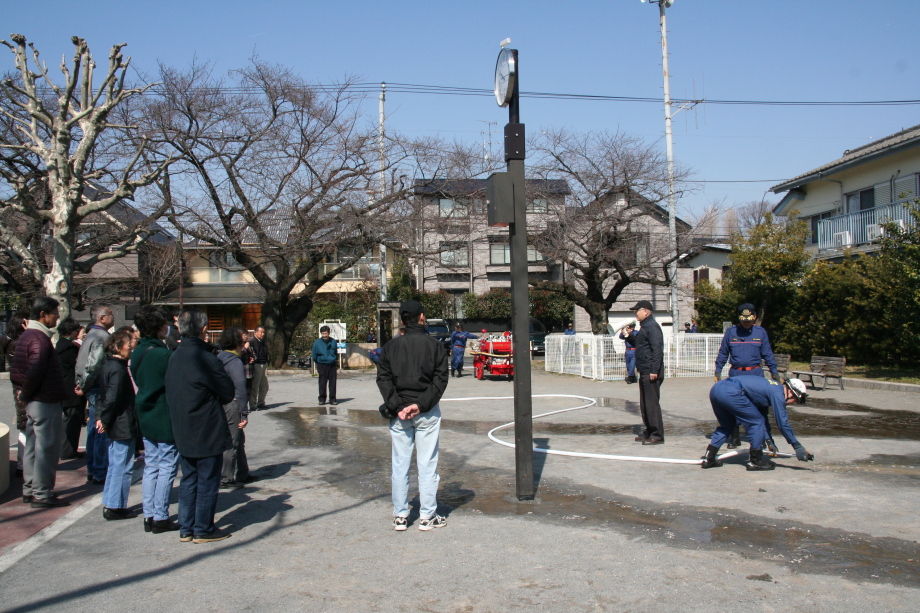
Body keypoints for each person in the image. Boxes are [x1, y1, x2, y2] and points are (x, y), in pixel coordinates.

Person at [377, 300, 449, 531]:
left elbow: (383, 378)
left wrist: (398, 405)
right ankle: (427, 515)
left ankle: (400, 514)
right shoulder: (435, 345)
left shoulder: (390, 346)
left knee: (400, 464)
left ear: (402, 320)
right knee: (427, 463)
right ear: (422, 317)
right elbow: (440, 379)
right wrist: (420, 404)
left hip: (399, 412)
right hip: (426, 411)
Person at [165, 308, 236, 544]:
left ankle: (186, 526)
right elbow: (227, 391)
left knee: (189, 478)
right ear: (204, 329)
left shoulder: (175, 355)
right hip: (205, 425)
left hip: (182, 424)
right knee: (207, 479)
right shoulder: (204, 358)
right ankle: (203, 528)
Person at [10, 296, 68, 508]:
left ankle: (30, 489)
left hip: (35, 399)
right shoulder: (39, 338)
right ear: (43, 315)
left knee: (33, 446)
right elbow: (35, 369)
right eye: (55, 313)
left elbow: (18, 370)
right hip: (44, 399)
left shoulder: (28, 335)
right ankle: (42, 493)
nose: (58, 317)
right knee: (46, 448)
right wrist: (26, 393)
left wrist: (24, 393)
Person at [131, 305, 180, 534]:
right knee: (167, 465)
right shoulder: (163, 355)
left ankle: (149, 513)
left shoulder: (138, 351)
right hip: (163, 413)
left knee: (151, 465)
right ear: (160, 326)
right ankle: (160, 516)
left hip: (145, 411)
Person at [702, 376, 814, 471]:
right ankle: (755, 461)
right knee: (756, 422)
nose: (793, 402)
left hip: (717, 389)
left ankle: (709, 458)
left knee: (728, 425)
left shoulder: (771, 388)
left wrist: (769, 440)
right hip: (731, 391)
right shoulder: (778, 393)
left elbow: (763, 416)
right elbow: (782, 423)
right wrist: (796, 445)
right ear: (790, 392)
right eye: (795, 400)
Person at [714, 303, 780, 448]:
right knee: (734, 406)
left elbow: (767, 353)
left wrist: (774, 371)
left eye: (749, 320)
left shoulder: (760, 333)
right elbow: (723, 352)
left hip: (755, 373)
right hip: (736, 373)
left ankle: (763, 438)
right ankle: (735, 438)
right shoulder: (731, 332)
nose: (746, 323)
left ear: (754, 317)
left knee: (760, 407)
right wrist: (718, 370)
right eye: (743, 320)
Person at [97, 328, 139, 520]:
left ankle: (110, 501)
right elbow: (112, 397)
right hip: (122, 421)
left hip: (116, 421)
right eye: (128, 344)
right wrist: (104, 418)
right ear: (118, 346)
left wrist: (101, 417)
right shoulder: (118, 370)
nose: (130, 347)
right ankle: (115, 505)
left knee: (115, 464)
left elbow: (103, 395)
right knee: (122, 465)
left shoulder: (108, 365)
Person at [76, 304, 115, 484]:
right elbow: (94, 365)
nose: (113, 317)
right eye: (110, 314)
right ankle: (99, 470)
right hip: (97, 387)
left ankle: (93, 468)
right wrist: (85, 385)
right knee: (100, 428)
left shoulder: (90, 335)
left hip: (90, 386)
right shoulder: (101, 337)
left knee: (93, 428)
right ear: (102, 318)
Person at [217, 327, 253, 489]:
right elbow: (240, 387)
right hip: (232, 403)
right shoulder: (234, 362)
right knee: (232, 441)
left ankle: (243, 472)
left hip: (221, 402)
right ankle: (226, 477)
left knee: (238, 438)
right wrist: (244, 412)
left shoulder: (219, 357)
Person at [630, 300, 665, 445]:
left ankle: (657, 434)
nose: (635, 313)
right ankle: (649, 431)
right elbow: (640, 345)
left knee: (651, 404)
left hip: (651, 371)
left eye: (637, 310)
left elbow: (657, 349)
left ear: (645, 311)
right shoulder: (645, 326)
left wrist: (654, 369)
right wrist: (629, 336)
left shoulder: (652, 327)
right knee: (645, 404)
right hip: (644, 370)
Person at [56, 317, 87, 460]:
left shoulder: (62, 345)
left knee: (72, 418)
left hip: (67, 386)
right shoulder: (68, 348)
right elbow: (77, 365)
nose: (77, 333)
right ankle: (67, 450)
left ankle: (69, 449)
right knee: (72, 419)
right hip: (71, 388)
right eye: (75, 330)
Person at [6, 311, 29, 478]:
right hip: (25, 389)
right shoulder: (22, 344)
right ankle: (23, 464)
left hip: (19, 389)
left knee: (24, 425)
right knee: (27, 426)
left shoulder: (10, 344)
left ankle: (23, 463)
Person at [312, 325, 339, 405]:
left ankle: (332, 399)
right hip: (322, 364)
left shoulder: (333, 342)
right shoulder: (317, 343)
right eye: (323, 334)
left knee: (333, 383)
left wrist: (334, 359)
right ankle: (322, 398)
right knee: (322, 383)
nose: (324, 335)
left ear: (329, 333)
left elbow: (335, 353)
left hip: (332, 364)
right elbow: (314, 356)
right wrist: (319, 362)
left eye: (325, 333)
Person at [248, 325, 269, 409]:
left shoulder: (263, 341)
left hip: (264, 364)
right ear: (256, 332)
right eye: (261, 332)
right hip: (257, 364)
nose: (262, 334)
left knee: (264, 386)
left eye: (264, 332)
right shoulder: (252, 341)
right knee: (255, 385)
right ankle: (253, 404)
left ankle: (261, 402)